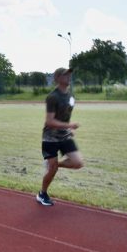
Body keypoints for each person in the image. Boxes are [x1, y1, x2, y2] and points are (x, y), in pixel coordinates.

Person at [37, 67, 84, 206]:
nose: (69, 76)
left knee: (78, 163)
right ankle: (42, 193)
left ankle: (55, 165)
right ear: (57, 78)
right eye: (65, 75)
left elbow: (64, 117)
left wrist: (68, 129)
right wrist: (69, 126)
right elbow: (49, 121)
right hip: (50, 138)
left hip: (64, 136)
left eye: (70, 74)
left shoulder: (71, 96)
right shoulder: (53, 97)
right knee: (52, 170)